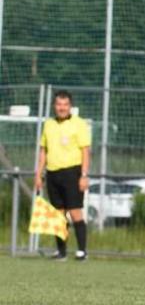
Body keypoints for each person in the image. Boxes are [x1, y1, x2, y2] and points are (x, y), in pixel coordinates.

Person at [33, 90, 92, 261]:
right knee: (58, 214)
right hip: (53, 173)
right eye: (59, 104)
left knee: (75, 213)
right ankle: (61, 251)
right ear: (54, 106)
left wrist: (84, 175)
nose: (62, 108)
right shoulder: (49, 124)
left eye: (65, 105)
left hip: (72, 172)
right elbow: (44, 150)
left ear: (70, 106)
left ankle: (82, 251)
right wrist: (39, 173)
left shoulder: (79, 124)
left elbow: (85, 151)